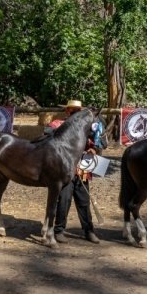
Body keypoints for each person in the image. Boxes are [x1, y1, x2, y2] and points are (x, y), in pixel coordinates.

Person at [44, 99, 100, 244]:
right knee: (64, 200)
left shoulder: (86, 126)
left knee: (84, 200)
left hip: (82, 166)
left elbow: (98, 141)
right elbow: (47, 137)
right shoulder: (57, 124)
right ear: (67, 111)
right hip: (63, 168)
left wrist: (94, 148)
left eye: (77, 111)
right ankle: (59, 230)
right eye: (72, 110)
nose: (75, 113)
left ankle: (89, 231)